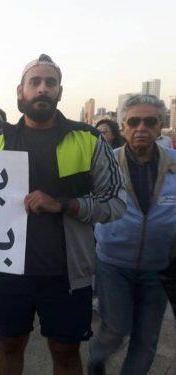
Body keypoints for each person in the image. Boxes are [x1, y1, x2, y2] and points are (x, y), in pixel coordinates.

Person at [0, 54, 126, 375]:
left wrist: (64, 204)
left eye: (51, 83)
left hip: (66, 273)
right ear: (21, 91)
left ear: (60, 92)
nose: (43, 89)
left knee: (65, 351)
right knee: (9, 344)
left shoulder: (88, 139)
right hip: (7, 271)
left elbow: (116, 202)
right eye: (36, 82)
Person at [89, 94, 176, 375]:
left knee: (146, 339)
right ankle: (96, 358)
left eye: (149, 122)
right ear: (123, 125)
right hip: (113, 263)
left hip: (160, 267)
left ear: (160, 125)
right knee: (115, 328)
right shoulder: (105, 163)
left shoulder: (175, 163)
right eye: (134, 121)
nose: (141, 128)